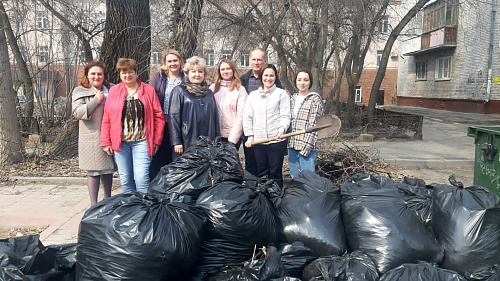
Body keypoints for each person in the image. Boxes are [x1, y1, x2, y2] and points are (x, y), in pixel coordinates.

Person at [101, 58, 164, 193]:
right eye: (124, 73)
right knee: (126, 179)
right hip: (121, 143)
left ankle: (144, 210)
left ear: (136, 72)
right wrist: (106, 141)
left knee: (141, 177)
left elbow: (158, 116)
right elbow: (107, 117)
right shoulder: (114, 91)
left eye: (130, 72)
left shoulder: (148, 90)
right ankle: (131, 209)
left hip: (142, 141)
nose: (127, 75)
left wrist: (157, 140)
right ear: (119, 74)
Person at [72, 61, 115, 206]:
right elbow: (77, 112)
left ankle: (107, 201)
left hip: (110, 136)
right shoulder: (80, 91)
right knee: (94, 172)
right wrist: (96, 99)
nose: (96, 77)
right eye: (93, 74)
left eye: (99, 74)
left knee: (108, 170)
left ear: (104, 76)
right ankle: (93, 206)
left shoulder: (112, 89)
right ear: (87, 76)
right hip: (91, 137)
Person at [243, 64, 290, 187]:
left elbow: (285, 115)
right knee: (262, 173)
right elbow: (248, 117)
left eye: (271, 75)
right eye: (266, 75)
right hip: (259, 141)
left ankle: (276, 199)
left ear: (275, 77)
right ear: (261, 77)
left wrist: (281, 130)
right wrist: (250, 136)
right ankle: (264, 199)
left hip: (276, 140)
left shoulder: (281, 94)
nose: (268, 78)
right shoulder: (253, 96)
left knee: (275, 173)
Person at [240, 48, 282, 176]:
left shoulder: (273, 79)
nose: (256, 62)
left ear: (265, 61)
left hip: (270, 134)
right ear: (249, 60)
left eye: (259, 60)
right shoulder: (243, 79)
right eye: (254, 59)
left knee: (270, 167)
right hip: (251, 131)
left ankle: (269, 191)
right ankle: (253, 190)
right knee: (251, 164)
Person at [169, 56, 219, 160]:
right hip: (187, 141)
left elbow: (215, 118)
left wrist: (217, 141)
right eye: (193, 71)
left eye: (200, 71)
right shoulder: (179, 91)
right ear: (187, 74)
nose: (197, 74)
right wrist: (176, 141)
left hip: (207, 141)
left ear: (204, 74)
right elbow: (173, 117)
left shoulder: (209, 93)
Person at [149, 49, 185, 180]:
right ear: (165, 63)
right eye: (169, 61)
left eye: (175, 60)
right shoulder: (158, 77)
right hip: (162, 122)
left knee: (176, 157)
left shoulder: (185, 78)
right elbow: (151, 97)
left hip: (181, 123)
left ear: (180, 61)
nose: (173, 64)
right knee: (158, 158)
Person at [287, 70, 324, 178]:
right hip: (292, 145)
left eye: (306, 80)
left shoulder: (314, 99)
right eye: (299, 80)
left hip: (306, 147)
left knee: (308, 180)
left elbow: (314, 126)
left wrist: (306, 148)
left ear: (310, 82)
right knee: (295, 178)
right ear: (295, 81)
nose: (302, 83)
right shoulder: (293, 98)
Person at [210, 59, 247, 150]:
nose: (225, 72)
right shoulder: (213, 89)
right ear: (219, 72)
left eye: (228, 69)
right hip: (215, 136)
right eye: (222, 69)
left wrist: (232, 140)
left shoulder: (240, 90)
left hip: (232, 136)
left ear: (233, 71)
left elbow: (241, 116)